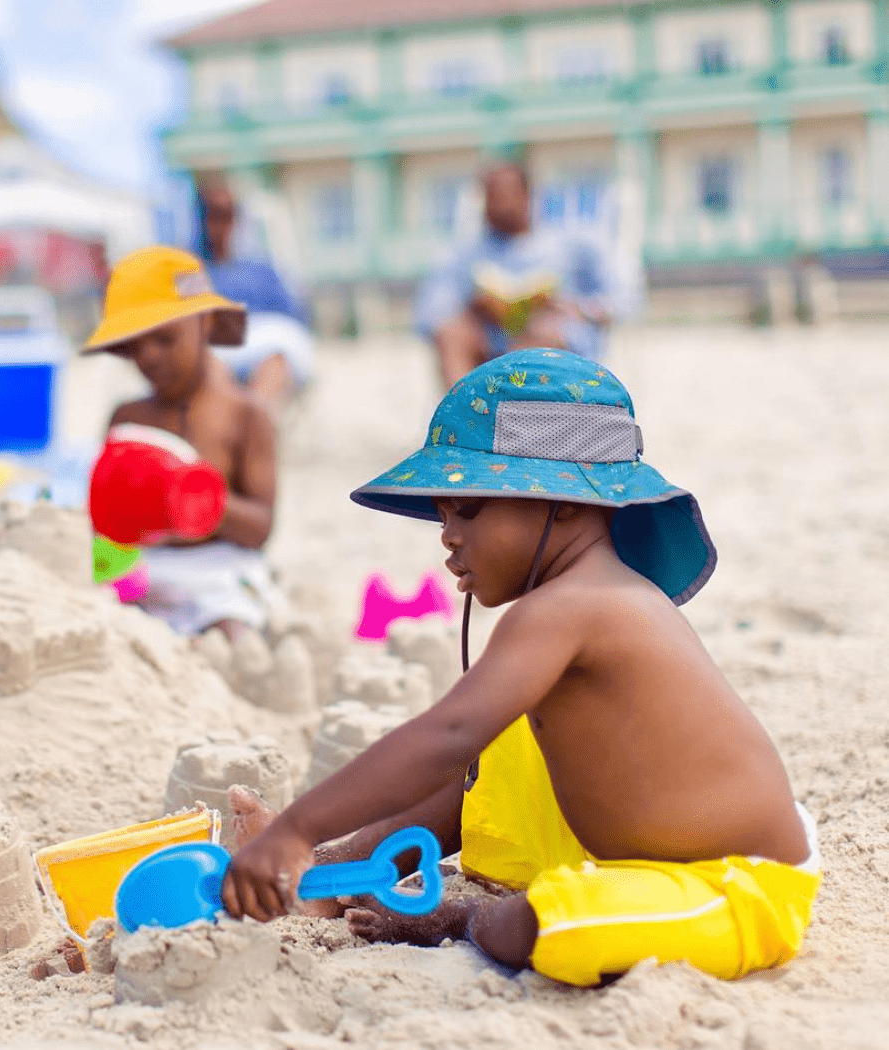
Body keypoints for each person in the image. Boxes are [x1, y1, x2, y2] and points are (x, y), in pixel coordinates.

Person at [221, 348, 821, 987]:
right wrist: (319, 839)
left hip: (735, 885)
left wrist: (294, 825)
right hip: (631, 856)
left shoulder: (575, 606)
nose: (448, 535)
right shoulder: (563, 605)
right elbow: (467, 768)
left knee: (536, 927)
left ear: (563, 504)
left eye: (469, 508)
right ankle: (335, 870)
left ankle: (462, 918)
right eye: (443, 514)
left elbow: (444, 739)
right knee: (504, 735)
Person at [82, 245, 281, 640]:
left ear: (205, 322)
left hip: (219, 569)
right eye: (134, 347)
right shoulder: (127, 418)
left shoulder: (245, 415)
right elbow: (105, 520)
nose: (149, 357)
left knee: (231, 628)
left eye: (164, 339)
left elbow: (261, 527)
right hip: (148, 569)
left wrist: (202, 502)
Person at [416, 161, 624, 388]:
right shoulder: (463, 255)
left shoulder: (572, 246)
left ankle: (516, 415)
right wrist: (474, 310)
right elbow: (429, 316)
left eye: (507, 195)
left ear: (527, 196)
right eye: (492, 196)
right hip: (485, 347)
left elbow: (621, 301)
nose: (499, 204)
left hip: (554, 348)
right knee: (452, 334)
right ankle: (461, 416)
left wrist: (571, 308)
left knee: (541, 337)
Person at [196, 177, 314, 412]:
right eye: (214, 214)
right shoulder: (191, 270)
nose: (222, 224)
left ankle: (252, 419)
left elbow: (292, 319)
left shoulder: (263, 268)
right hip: (216, 355)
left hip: (264, 351)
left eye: (228, 215)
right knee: (209, 365)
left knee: (275, 361)